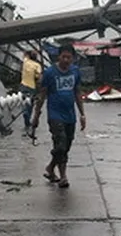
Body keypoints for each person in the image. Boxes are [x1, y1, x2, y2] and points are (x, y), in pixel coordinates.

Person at [31, 43, 86, 188]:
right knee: (60, 143)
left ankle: (50, 167)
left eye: (69, 57)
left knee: (66, 146)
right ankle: (63, 177)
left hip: (70, 116)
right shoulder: (50, 73)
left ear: (73, 58)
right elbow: (42, 95)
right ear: (59, 57)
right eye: (64, 57)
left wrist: (82, 114)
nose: (66, 60)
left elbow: (78, 93)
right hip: (55, 115)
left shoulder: (75, 71)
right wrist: (36, 116)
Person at [19, 49, 43, 136]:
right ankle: (27, 120)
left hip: (23, 85)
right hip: (32, 87)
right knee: (30, 105)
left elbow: (24, 54)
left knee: (24, 102)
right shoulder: (37, 65)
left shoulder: (25, 62)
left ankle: (26, 120)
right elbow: (39, 78)